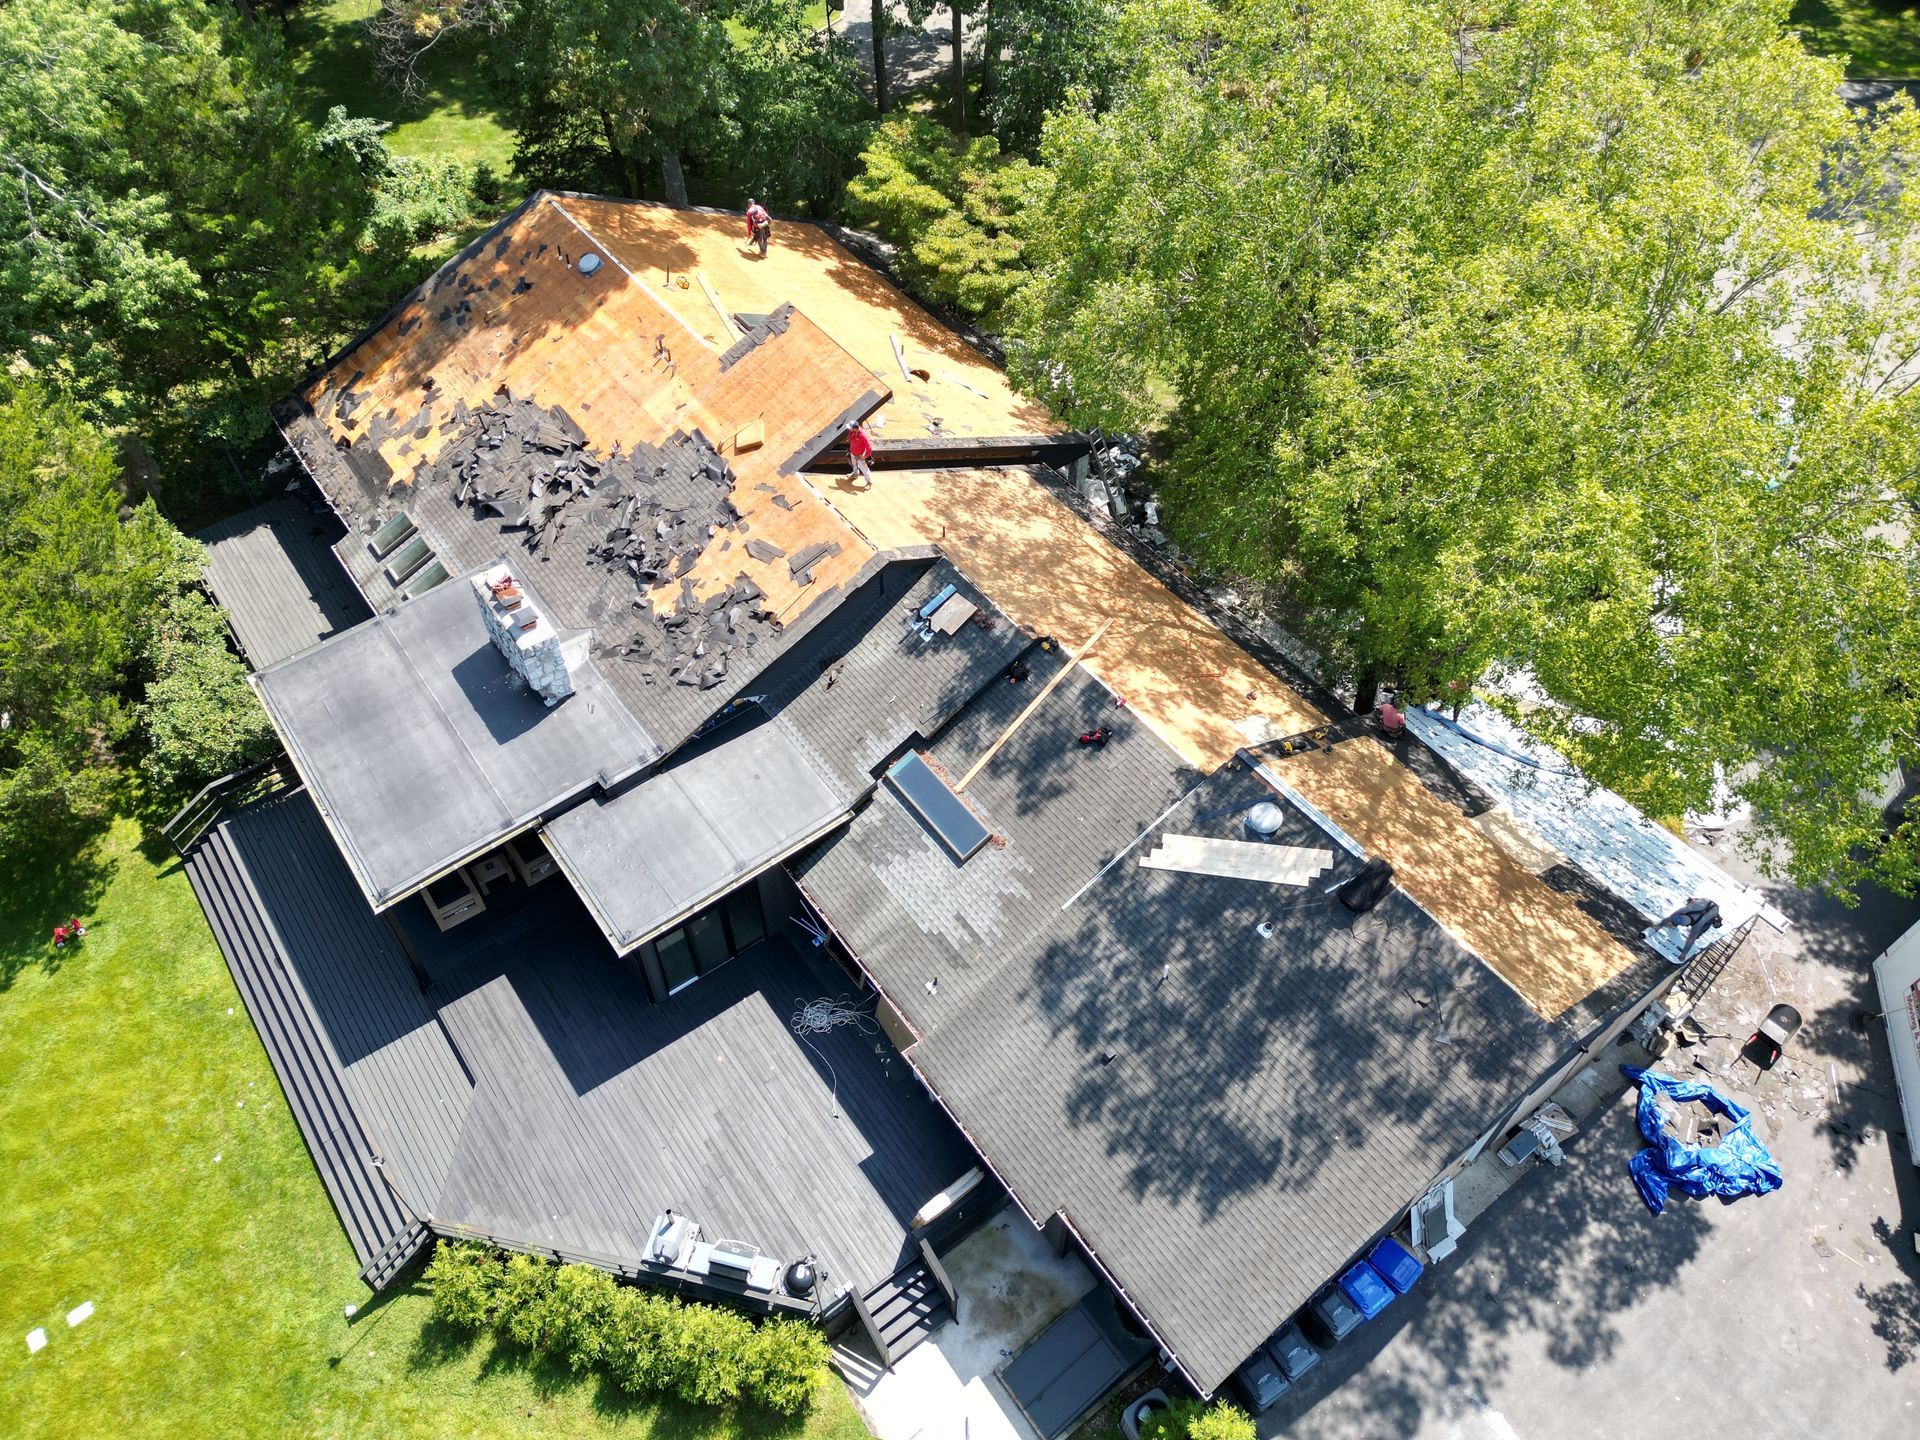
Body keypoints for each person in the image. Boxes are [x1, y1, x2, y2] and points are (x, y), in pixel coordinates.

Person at [847, 420, 874, 487]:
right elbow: (850, 437)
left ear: (854, 428)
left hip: (859, 455)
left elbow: (869, 447)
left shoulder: (863, 435)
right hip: (853, 452)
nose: (849, 429)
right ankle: (855, 473)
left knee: (864, 468)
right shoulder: (852, 431)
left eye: (851, 428)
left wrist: (865, 456)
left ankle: (869, 481)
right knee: (854, 464)